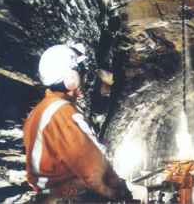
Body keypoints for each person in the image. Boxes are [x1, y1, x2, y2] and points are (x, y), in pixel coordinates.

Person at [23, 43, 147, 203]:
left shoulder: (39, 111)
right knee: (140, 193)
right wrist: (119, 190)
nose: (84, 77)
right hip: (69, 196)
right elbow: (93, 165)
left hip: (49, 194)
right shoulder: (64, 112)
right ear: (70, 78)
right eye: (81, 71)